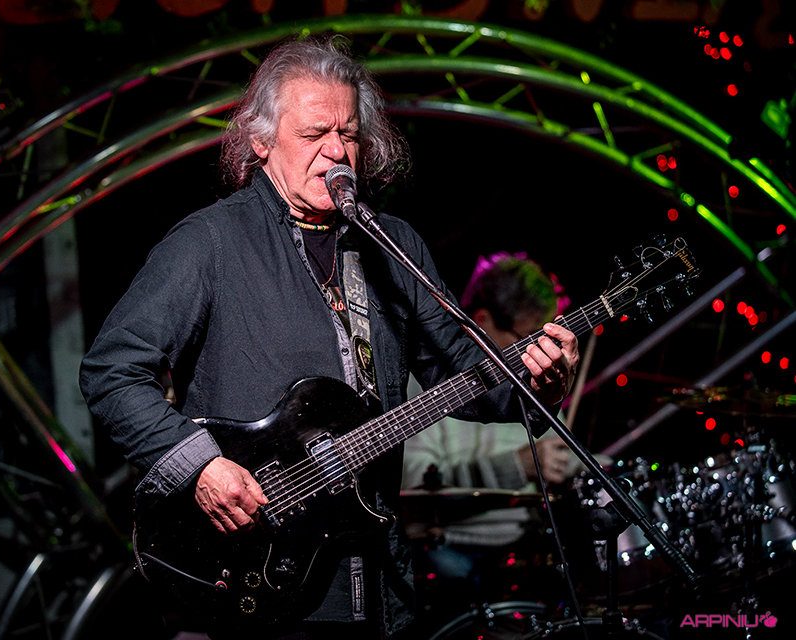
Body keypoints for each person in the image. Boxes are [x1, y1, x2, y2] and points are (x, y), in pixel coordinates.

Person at [78, 34, 579, 640]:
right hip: (252, 579)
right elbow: (111, 372)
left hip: (376, 582)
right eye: (314, 134)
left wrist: (540, 383)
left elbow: (465, 376)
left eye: (349, 134)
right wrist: (201, 467)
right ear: (261, 141)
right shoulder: (210, 243)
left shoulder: (393, 246)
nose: (336, 151)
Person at [401, 253, 584, 624]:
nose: (537, 352)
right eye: (527, 338)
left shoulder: (531, 383)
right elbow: (413, 484)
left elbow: (573, 458)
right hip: (453, 553)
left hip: (528, 552)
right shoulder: (425, 383)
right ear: (482, 321)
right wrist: (514, 466)